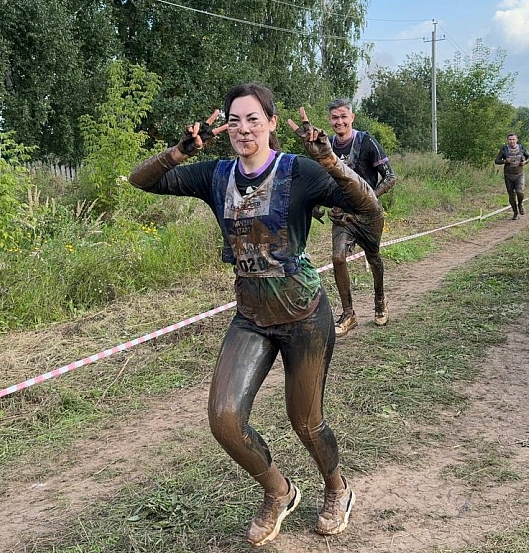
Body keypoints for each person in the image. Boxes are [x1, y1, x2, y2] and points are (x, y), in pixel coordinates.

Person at [129, 83, 381, 546]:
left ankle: (336, 487)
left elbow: (369, 206)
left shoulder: (299, 171)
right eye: (235, 120)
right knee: (224, 417)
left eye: (253, 119)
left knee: (305, 421)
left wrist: (330, 161)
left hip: (304, 316)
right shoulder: (215, 175)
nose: (243, 129)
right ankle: (279, 491)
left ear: (269, 122)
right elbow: (140, 180)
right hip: (251, 316)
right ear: (226, 128)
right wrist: (180, 151)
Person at [323, 98, 396, 336]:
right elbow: (322, 180)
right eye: (335, 117)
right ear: (329, 120)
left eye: (344, 116)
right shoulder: (328, 146)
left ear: (352, 117)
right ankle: (348, 314)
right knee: (338, 258)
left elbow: (390, 177)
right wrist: (315, 204)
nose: (339, 121)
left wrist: (370, 199)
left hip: (369, 216)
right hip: (343, 217)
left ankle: (379, 300)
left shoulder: (366, 142)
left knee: (374, 258)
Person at [494, 132, 529, 219]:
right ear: (507, 140)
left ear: (516, 140)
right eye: (510, 139)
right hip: (508, 175)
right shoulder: (504, 149)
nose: (512, 141)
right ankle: (515, 213)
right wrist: (505, 161)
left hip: (519, 174)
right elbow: (496, 160)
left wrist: (525, 162)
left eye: (513, 139)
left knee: (519, 192)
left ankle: (521, 203)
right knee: (511, 195)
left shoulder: (521, 148)